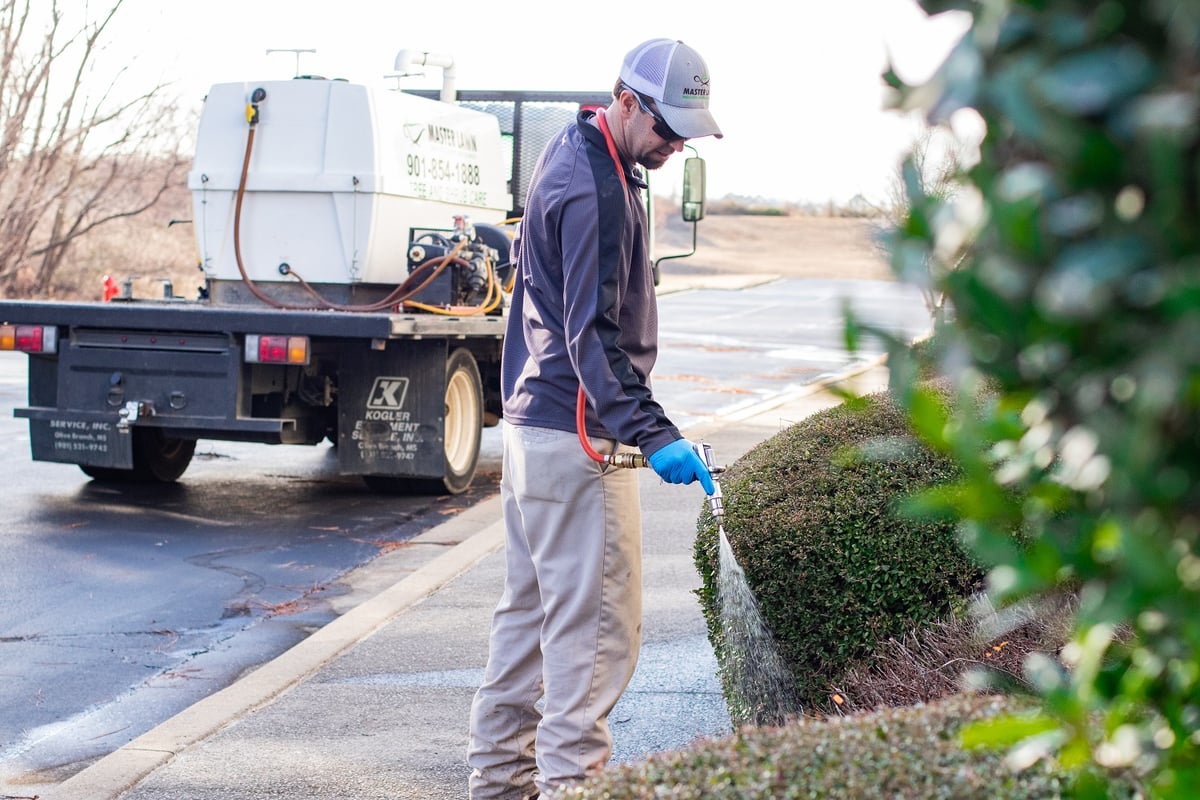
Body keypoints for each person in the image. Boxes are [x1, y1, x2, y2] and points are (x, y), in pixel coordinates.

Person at [466, 38, 723, 799]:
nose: (676, 145)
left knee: (524, 634)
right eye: (668, 127)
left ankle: (497, 788)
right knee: (592, 649)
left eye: (688, 132)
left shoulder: (574, 149)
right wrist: (657, 436)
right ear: (626, 99)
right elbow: (595, 339)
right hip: (579, 444)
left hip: (532, 435)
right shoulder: (598, 189)